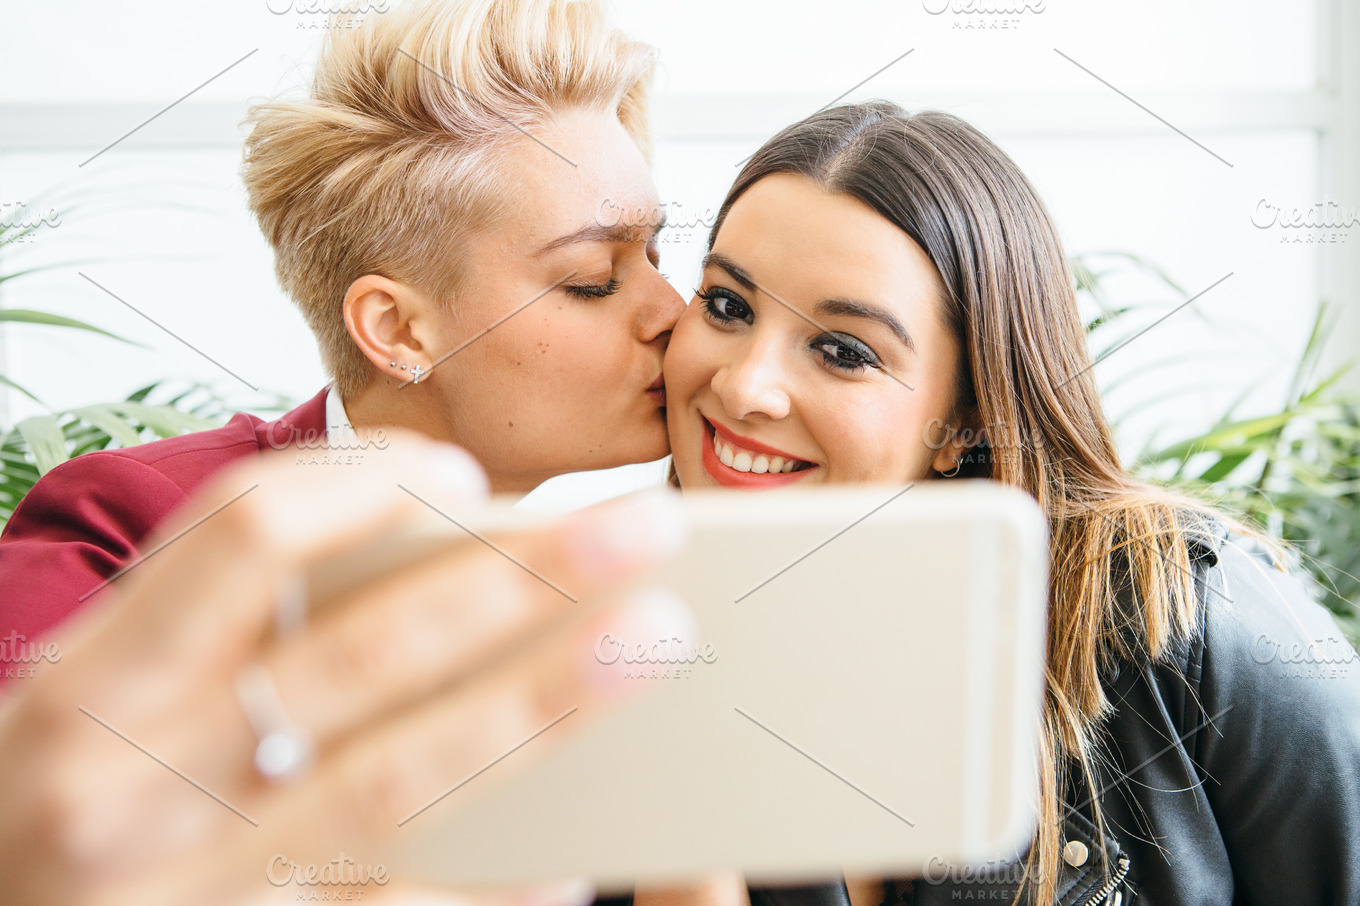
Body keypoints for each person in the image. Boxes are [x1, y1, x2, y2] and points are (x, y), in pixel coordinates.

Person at [656, 102, 1360, 904]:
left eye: (843, 351)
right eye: (726, 305)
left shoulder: (1183, 609)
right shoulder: (613, 660)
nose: (744, 387)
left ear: (964, 421)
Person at [0, 0, 683, 642]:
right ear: (397, 333)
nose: (672, 312)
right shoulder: (132, 530)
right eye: (595, 280)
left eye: (655, 255)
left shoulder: (588, 596)